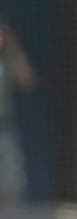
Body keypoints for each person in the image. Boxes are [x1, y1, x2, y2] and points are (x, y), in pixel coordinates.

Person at [0, 14, 37, 205]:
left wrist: (12, 46)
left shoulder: (7, 59)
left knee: (12, 189)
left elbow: (27, 80)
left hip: (5, 130)